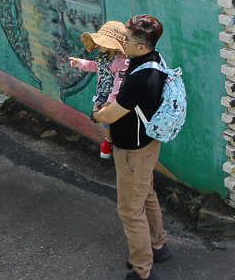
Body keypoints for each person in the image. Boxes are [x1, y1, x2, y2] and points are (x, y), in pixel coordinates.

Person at [95, 14, 170, 280]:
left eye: (126, 39)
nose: (121, 42)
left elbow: (109, 115)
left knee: (130, 210)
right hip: (147, 146)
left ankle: (142, 270)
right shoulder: (153, 60)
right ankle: (158, 245)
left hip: (132, 152)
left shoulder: (140, 77)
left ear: (140, 46)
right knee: (146, 193)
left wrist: (97, 112)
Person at [67, 20, 129, 159]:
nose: (99, 45)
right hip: (103, 93)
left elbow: (120, 83)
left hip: (114, 98)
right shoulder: (102, 56)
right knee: (105, 121)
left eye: (103, 42)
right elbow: (96, 66)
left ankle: (113, 142)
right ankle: (109, 140)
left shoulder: (122, 61)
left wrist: (110, 101)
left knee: (111, 118)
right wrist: (79, 63)